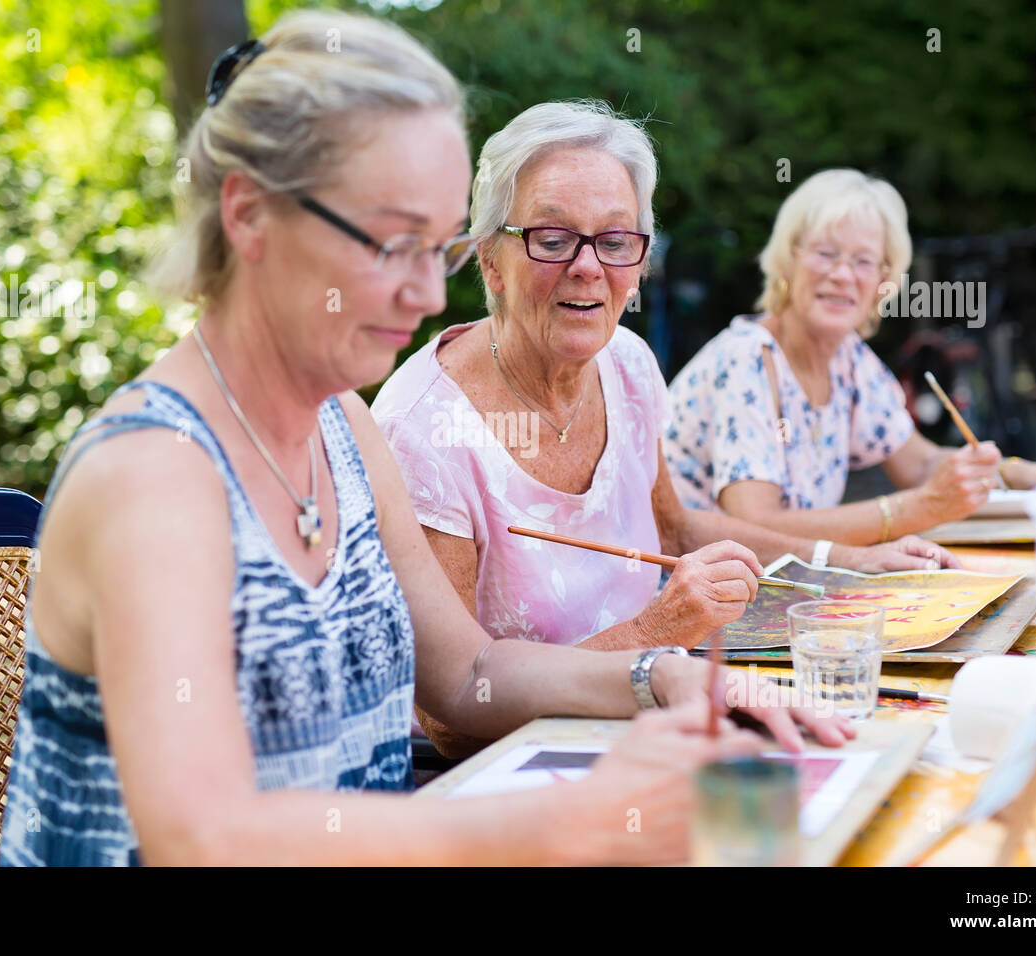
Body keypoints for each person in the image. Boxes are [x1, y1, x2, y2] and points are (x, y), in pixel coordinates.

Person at [0, 13, 848, 868]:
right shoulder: (152, 477)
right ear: (250, 216)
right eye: (389, 243)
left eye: (431, 249)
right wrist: (568, 824)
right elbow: (203, 836)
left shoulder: (345, 428)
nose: (427, 298)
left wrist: (659, 675)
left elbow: (464, 673)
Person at [372, 104, 950, 758]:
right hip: (516, 769)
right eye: (553, 238)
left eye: (616, 241)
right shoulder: (424, 430)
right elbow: (454, 719)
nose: (588, 267)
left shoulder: (628, 364)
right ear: (491, 261)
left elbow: (676, 528)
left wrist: (849, 565)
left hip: (653, 713)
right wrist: (654, 635)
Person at [664, 168, 1036, 544]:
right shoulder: (747, 358)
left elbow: (922, 464)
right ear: (788, 260)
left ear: (882, 281)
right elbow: (753, 527)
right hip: (687, 595)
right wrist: (914, 509)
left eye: (862, 261)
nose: (842, 274)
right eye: (825, 253)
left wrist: (1025, 473)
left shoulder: (849, 360)